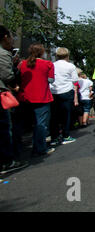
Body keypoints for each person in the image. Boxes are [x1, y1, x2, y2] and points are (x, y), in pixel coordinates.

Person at [17, 44, 55, 156]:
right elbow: (51, 80)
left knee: (24, 125)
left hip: (25, 98)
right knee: (41, 124)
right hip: (42, 97)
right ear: (42, 52)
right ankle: (40, 148)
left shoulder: (22, 64)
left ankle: (18, 150)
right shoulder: (48, 64)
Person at [0, 26, 28, 174]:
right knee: (4, 128)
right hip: (2, 94)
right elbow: (7, 76)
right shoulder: (3, 53)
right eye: (11, 37)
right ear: (5, 36)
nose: (12, 40)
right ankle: (6, 162)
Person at [49, 47, 78, 146]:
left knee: (54, 116)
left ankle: (54, 138)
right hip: (66, 91)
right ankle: (66, 136)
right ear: (67, 55)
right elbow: (74, 80)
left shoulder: (52, 65)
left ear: (56, 56)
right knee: (66, 115)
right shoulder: (70, 66)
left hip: (53, 91)